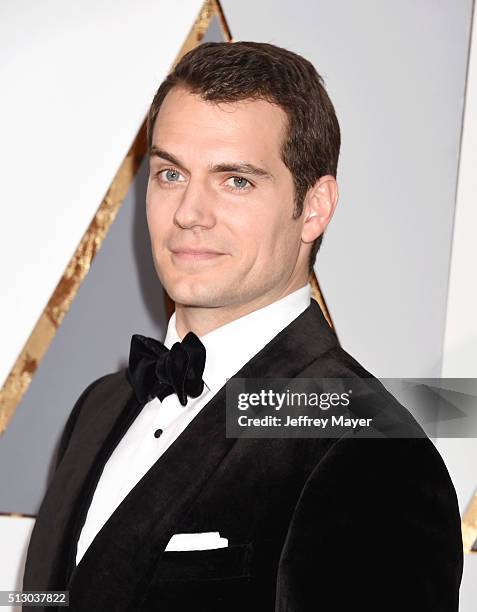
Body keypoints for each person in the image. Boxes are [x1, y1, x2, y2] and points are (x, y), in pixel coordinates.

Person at [23, 41, 463, 611]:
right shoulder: (99, 408)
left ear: (315, 207)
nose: (189, 213)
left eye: (236, 181)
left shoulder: (370, 451)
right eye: (170, 174)